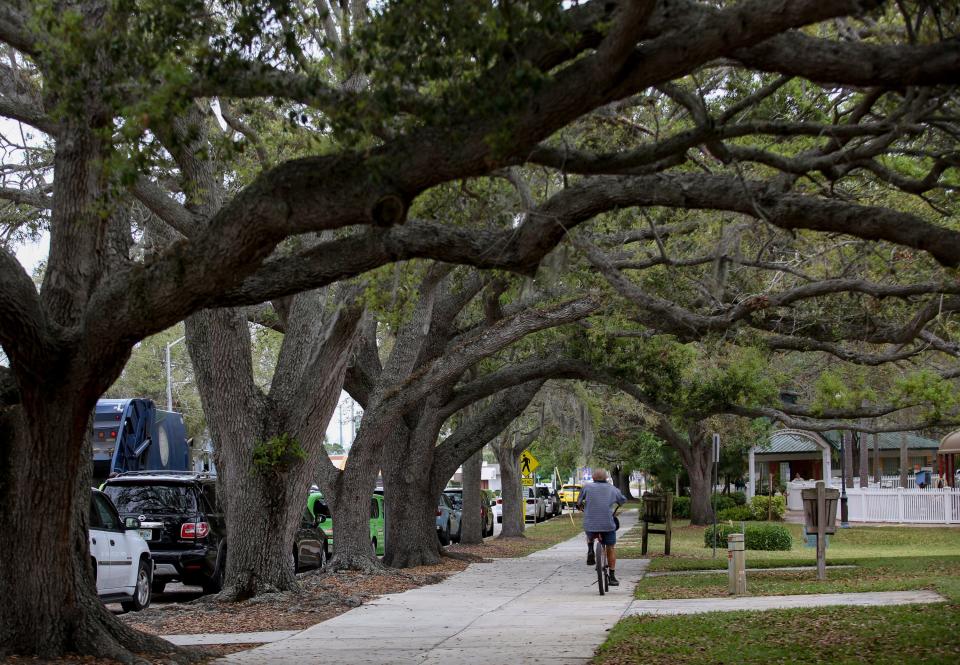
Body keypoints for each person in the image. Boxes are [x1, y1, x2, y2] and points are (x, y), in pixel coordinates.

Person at [576, 468, 626, 586]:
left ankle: (590, 548)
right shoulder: (613, 489)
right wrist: (618, 502)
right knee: (611, 548)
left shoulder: (586, 487)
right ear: (606, 478)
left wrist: (581, 506)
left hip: (591, 524)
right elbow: (623, 500)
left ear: (593, 478)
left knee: (589, 532)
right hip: (607, 524)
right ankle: (612, 577)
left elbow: (578, 503)